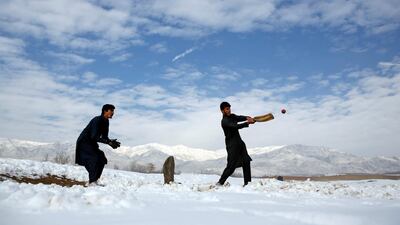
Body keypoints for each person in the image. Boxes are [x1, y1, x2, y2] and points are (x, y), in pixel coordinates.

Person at [75, 104, 121, 186]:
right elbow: (94, 136)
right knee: (94, 159)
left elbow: (104, 137)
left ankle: (94, 180)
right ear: (105, 111)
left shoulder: (106, 122)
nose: (113, 113)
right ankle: (92, 182)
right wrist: (108, 142)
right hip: (84, 142)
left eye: (113, 111)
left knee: (101, 158)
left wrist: (110, 141)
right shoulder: (97, 120)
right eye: (111, 111)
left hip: (91, 142)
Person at [217, 102, 255, 187]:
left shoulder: (232, 116)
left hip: (240, 143)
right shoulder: (224, 121)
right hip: (232, 145)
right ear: (222, 111)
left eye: (229, 108)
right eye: (227, 109)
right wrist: (247, 123)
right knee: (231, 167)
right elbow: (235, 126)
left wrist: (247, 117)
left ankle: (247, 183)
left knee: (246, 161)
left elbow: (239, 117)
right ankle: (220, 183)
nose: (229, 110)